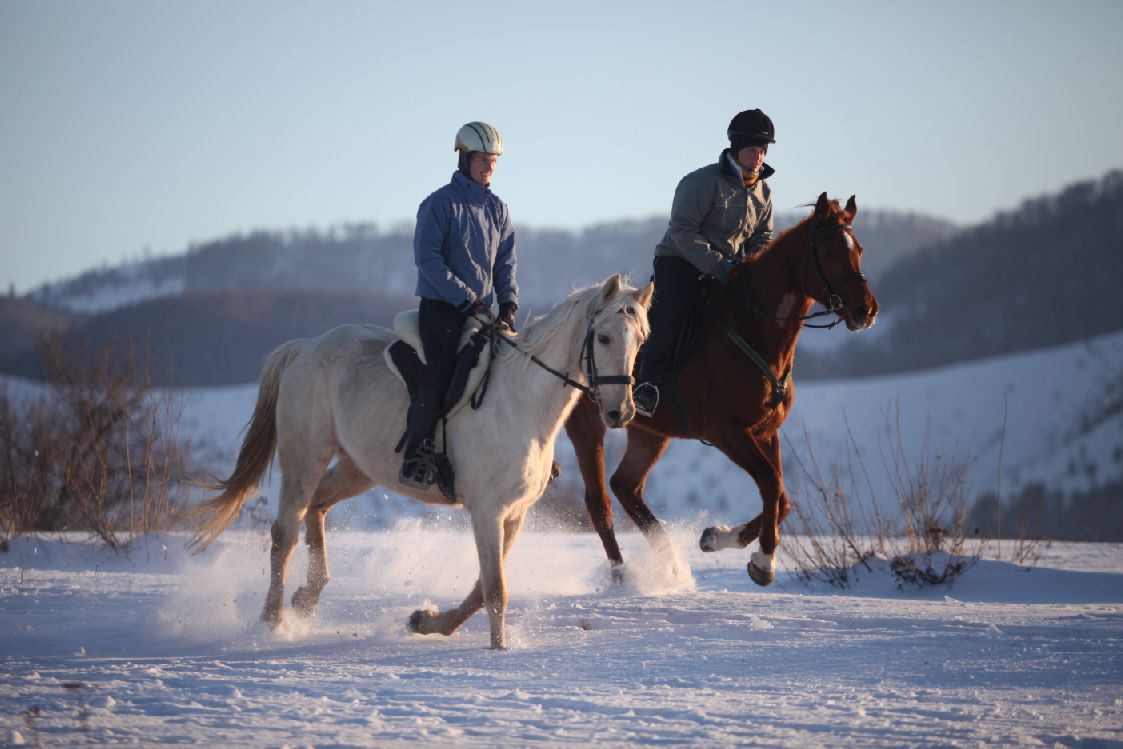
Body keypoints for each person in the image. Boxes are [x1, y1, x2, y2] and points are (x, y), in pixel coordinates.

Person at [632, 108, 777, 417]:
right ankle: (647, 383)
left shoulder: (763, 193)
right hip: (680, 261)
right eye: (753, 149)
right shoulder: (702, 182)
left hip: (726, 268)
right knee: (671, 315)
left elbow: (762, 238)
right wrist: (717, 265)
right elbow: (682, 230)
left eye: (763, 150)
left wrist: (750, 267)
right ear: (737, 148)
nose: (759, 156)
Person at [400, 121, 519, 489]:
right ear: (465, 158)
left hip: (481, 312)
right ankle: (418, 453)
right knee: (440, 373)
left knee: (514, 370)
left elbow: (505, 262)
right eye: (483, 159)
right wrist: (464, 299)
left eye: (494, 161)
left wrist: (509, 301)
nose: (489, 166)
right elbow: (428, 260)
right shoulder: (438, 204)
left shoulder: (498, 209)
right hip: (442, 308)